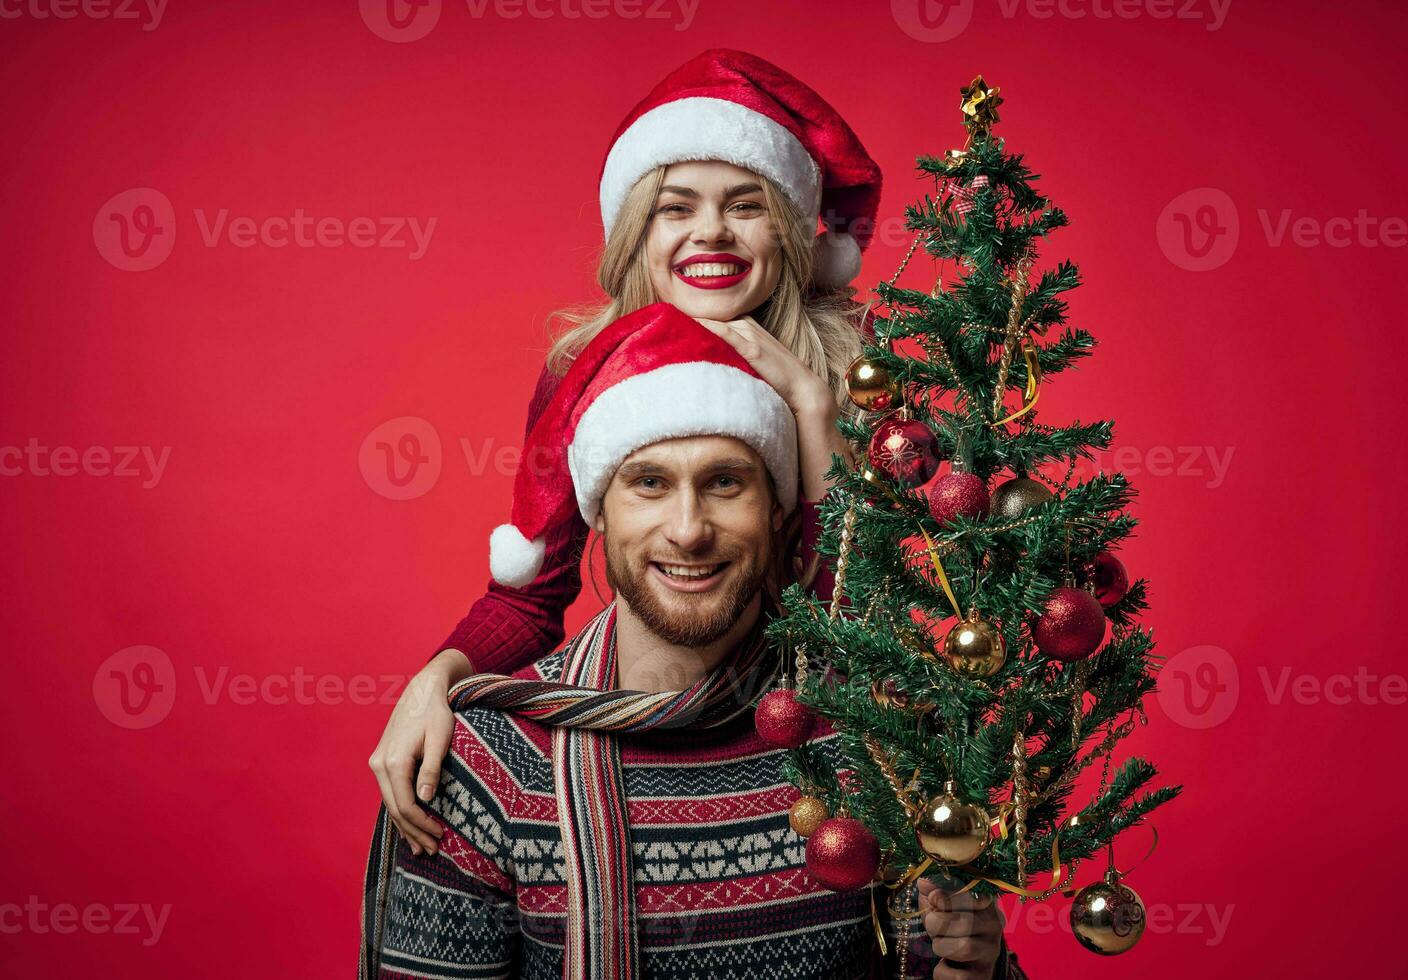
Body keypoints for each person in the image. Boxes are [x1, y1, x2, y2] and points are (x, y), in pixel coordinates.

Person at [360, 304, 1024, 979]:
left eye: (725, 483)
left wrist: (975, 970)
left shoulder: (871, 744)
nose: (688, 530)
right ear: (599, 511)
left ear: (776, 510)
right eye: (648, 484)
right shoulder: (484, 767)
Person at [371, 49, 888, 861]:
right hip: (651, 730)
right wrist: (433, 680)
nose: (710, 231)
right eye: (675, 208)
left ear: (788, 227)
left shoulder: (863, 372)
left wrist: (817, 413)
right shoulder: (580, 374)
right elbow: (529, 597)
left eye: (745, 204)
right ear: (637, 232)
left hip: (819, 756)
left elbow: (869, 633)